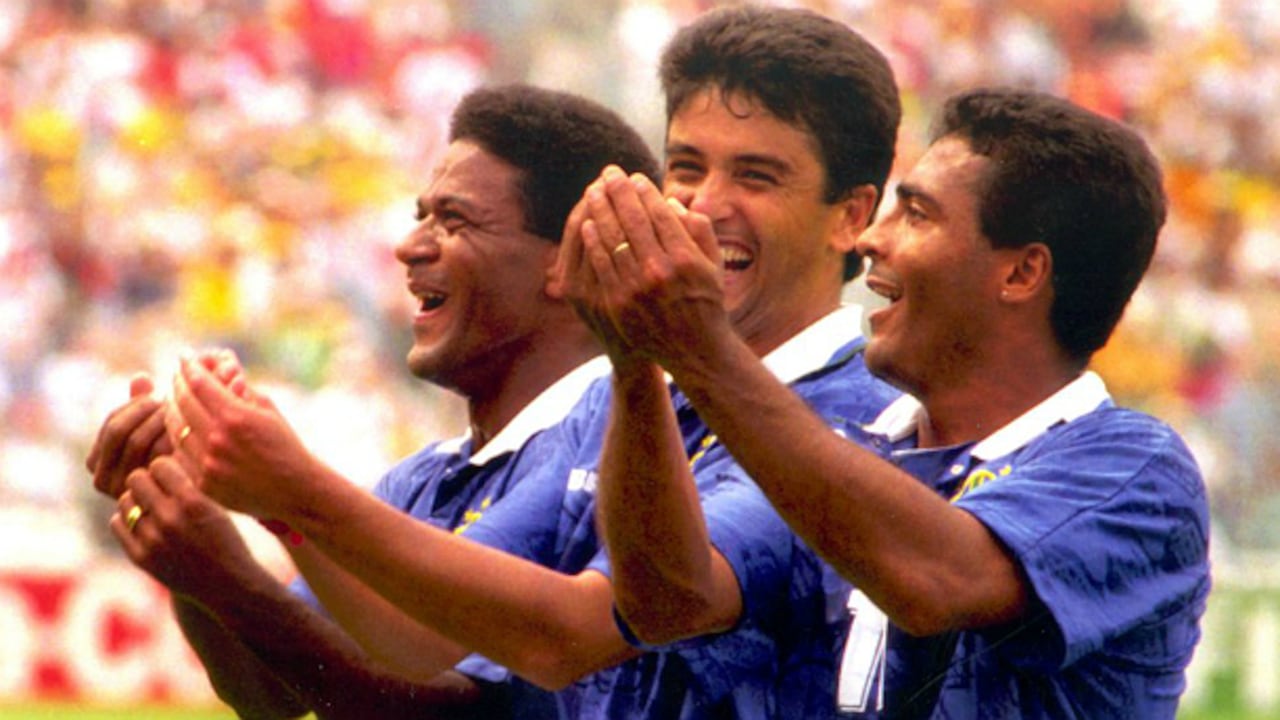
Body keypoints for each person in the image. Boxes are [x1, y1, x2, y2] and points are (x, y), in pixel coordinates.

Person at [152, 5, 903, 717]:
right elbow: (426, 639)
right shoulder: (609, 406)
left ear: (851, 215)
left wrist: (294, 491)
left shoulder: (858, 421)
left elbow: (570, 635)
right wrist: (273, 510)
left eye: (756, 176)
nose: (705, 205)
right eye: (685, 168)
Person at [568, 86, 1211, 718]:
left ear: (1020, 274)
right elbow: (667, 605)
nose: (872, 239)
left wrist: (699, 345)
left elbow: (936, 579)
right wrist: (637, 364)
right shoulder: (854, 447)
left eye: (917, 214)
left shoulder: (1132, 470)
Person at [87, 83, 659, 719]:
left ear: (567, 263)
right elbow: (267, 691)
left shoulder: (625, 444)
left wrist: (283, 505)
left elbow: (434, 708)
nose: (410, 246)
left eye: (454, 220)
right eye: (421, 216)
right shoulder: (423, 480)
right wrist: (189, 543)